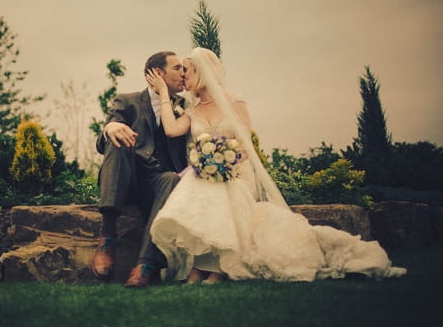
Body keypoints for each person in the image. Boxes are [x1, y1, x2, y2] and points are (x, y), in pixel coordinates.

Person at [146, 47, 406, 284]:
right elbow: (170, 130)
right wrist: (163, 94)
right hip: (207, 174)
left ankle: (216, 268)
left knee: (221, 193)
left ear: (201, 72)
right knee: (197, 191)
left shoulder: (233, 100)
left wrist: (225, 163)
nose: (183, 77)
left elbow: (246, 145)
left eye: (186, 71)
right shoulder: (191, 109)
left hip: (236, 171)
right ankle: (201, 265)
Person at [90, 51, 189, 288]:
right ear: (156, 74)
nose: (183, 73)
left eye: (185, 68)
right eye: (177, 68)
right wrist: (110, 127)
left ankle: (145, 263)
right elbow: (102, 143)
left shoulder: (185, 108)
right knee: (119, 136)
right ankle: (108, 237)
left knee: (172, 179)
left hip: (158, 184)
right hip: (127, 177)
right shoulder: (127, 100)